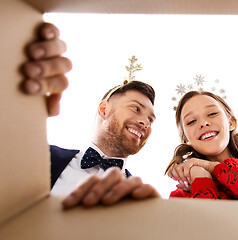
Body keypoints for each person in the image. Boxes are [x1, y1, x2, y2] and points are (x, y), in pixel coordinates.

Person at [21, 22, 159, 208]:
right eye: (136, 108)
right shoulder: (41, 157)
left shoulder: (141, 201)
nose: (145, 122)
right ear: (104, 109)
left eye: (151, 119)